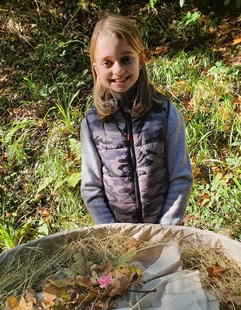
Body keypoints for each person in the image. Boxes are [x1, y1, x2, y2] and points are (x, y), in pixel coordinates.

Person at [80, 14, 193, 225]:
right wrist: (113, 234)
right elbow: (91, 188)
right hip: (118, 241)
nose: (118, 70)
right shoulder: (92, 124)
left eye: (126, 59)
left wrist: (164, 228)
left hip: (164, 233)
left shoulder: (165, 113)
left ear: (141, 60)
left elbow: (181, 177)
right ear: (96, 70)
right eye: (107, 62)